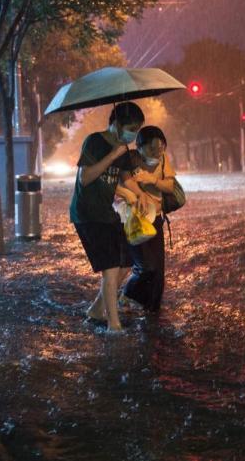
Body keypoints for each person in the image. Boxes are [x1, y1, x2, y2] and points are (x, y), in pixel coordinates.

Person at [70, 102, 153, 332]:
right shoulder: (94, 142)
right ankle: (113, 325)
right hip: (87, 214)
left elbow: (126, 179)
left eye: (137, 129)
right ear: (116, 124)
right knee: (111, 268)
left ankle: (97, 309)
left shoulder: (124, 150)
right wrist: (112, 155)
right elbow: (84, 178)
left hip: (107, 213)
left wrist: (141, 195)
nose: (134, 134)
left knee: (126, 263)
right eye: (132, 128)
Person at [119, 126, 177, 312]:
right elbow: (121, 185)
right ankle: (126, 294)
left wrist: (152, 180)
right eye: (152, 148)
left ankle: (152, 310)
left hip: (156, 219)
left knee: (158, 273)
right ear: (140, 146)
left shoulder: (163, 160)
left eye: (161, 147)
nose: (157, 152)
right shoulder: (130, 160)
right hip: (134, 220)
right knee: (145, 267)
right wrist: (136, 186)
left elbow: (170, 186)